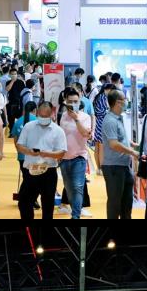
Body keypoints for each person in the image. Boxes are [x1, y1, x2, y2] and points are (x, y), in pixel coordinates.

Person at [57, 89, 94, 220]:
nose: (73, 104)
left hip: (79, 157)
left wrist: (77, 119)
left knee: (78, 187)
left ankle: (75, 216)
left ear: (80, 102)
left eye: (76, 101)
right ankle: (74, 209)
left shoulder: (85, 117)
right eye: (70, 101)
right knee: (69, 188)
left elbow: (86, 134)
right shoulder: (62, 115)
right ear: (65, 102)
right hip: (64, 157)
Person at [101, 89, 137, 219]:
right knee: (115, 203)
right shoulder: (110, 121)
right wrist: (132, 152)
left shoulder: (118, 119)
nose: (126, 102)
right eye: (124, 100)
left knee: (127, 202)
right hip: (114, 167)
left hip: (123, 166)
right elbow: (114, 144)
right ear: (118, 103)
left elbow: (120, 139)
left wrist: (132, 144)